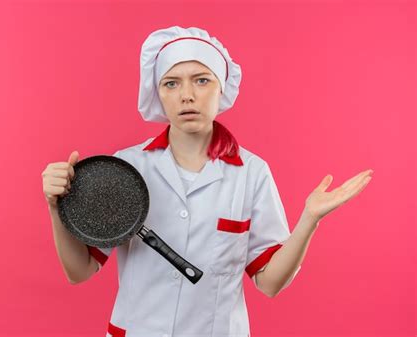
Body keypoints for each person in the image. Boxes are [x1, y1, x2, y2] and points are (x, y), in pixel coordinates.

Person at [41, 26, 373, 337]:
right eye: (171, 83)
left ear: (221, 88)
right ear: (158, 94)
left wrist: (309, 221)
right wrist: (57, 207)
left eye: (201, 80)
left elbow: (269, 283)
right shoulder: (128, 166)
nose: (187, 95)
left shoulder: (252, 172)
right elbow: (80, 271)